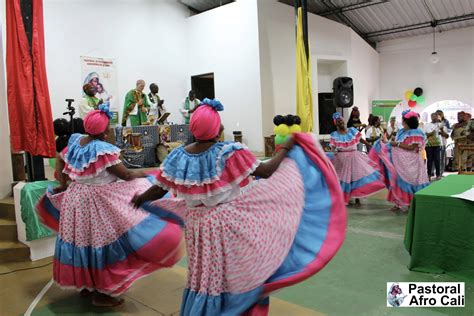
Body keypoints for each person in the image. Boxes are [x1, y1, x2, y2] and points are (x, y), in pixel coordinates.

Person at [131, 98, 346, 315]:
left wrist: (141, 199)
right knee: (234, 272)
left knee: (204, 275)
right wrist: (285, 149)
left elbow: (159, 188)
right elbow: (266, 171)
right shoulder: (228, 152)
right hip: (226, 224)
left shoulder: (179, 156)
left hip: (197, 227)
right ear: (217, 129)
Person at [36, 105, 183, 307]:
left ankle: (87, 285)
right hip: (96, 203)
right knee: (101, 242)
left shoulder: (76, 142)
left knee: (81, 240)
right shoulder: (102, 150)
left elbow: (61, 161)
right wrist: (147, 174)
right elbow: (127, 175)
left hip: (75, 200)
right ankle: (103, 293)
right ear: (105, 132)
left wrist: (63, 184)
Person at [368, 110, 429, 212]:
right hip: (401, 161)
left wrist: (396, 144)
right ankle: (399, 202)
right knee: (396, 180)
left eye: (403, 121)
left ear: (407, 122)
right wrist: (387, 145)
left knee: (412, 182)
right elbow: (397, 143)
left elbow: (412, 147)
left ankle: (411, 204)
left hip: (412, 162)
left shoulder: (416, 132)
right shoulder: (401, 132)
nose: (402, 123)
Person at [329, 112, 385, 207]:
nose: (341, 123)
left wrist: (370, 145)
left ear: (344, 121)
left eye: (341, 121)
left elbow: (361, 139)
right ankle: (344, 196)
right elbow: (333, 146)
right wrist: (333, 152)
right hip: (342, 160)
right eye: (338, 122)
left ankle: (357, 198)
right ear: (336, 124)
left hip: (355, 157)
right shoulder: (334, 135)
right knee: (344, 179)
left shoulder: (352, 131)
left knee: (356, 177)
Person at [424, 113, 445, 180]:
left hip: (438, 145)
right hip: (429, 145)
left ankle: (438, 175)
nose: (434, 117)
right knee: (429, 160)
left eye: (436, 116)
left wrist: (441, 129)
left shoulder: (440, 124)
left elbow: (444, 134)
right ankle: (429, 175)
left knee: (437, 160)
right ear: (431, 117)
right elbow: (426, 135)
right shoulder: (427, 125)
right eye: (433, 116)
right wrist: (431, 133)